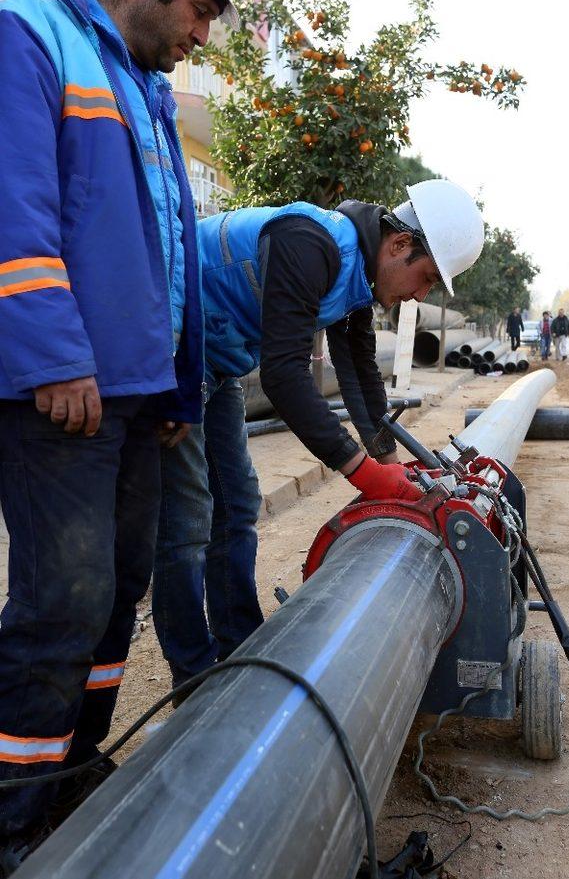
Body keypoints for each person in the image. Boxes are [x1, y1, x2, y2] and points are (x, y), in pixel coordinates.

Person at [0, 0, 239, 871]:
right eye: (198, 12)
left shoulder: (144, 90)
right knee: (64, 595)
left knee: (117, 592)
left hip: (140, 398)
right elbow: (16, 209)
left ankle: (71, 764)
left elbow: (173, 252)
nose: (201, 38)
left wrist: (180, 384)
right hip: (64, 392)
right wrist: (57, 355)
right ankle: (12, 809)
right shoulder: (32, 36)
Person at [154, 179, 486, 696]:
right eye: (424, 278)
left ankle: (238, 644)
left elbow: (359, 375)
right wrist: (363, 472)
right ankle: (193, 681)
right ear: (399, 245)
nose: (420, 295)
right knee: (189, 520)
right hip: (171, 350)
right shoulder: (309, 243)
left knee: (238, 504)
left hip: (216, 361)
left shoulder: (358, 276)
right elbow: (285, 376)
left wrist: (391, 462)